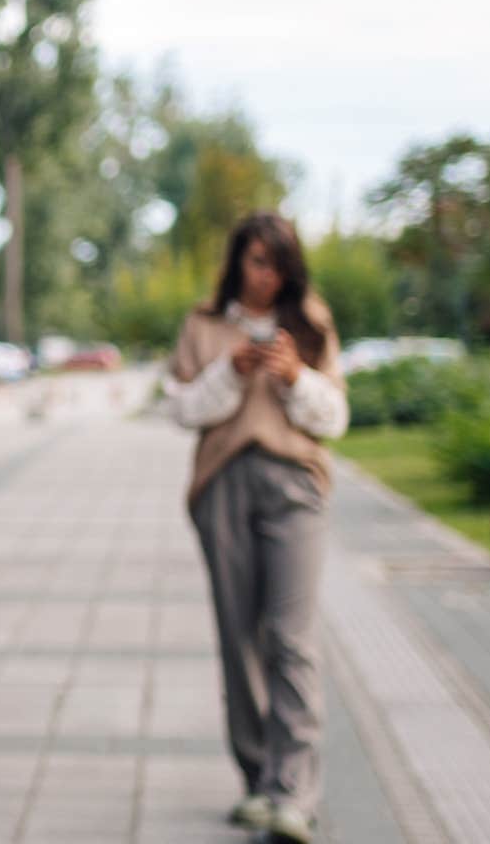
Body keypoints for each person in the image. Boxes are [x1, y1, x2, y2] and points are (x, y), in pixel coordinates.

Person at [163, 212, 349, 844]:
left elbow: (334, 419)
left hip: (295, 486)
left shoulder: (311, 322)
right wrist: (230, 373)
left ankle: (294, 792)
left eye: (277, 264)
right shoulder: (204, 324)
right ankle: (258, 780)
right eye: (256, 261)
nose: (266, 275)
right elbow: (180, 409)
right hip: (223, 484)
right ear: (238, 261)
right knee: (237, 636)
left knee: (291, 638)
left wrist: (295, 376)